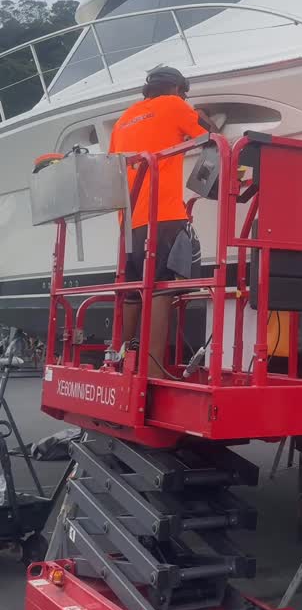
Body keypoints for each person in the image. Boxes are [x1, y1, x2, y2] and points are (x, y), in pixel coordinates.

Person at [109, 65, 209, 377]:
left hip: (128, 222)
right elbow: (209, 136)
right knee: (161, 290)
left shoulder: (124, 119)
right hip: (162, 215)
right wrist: (202, 114)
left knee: (132, 292)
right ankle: (151, 373)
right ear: (179, 89)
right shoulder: (174, 104)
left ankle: (127, 365)